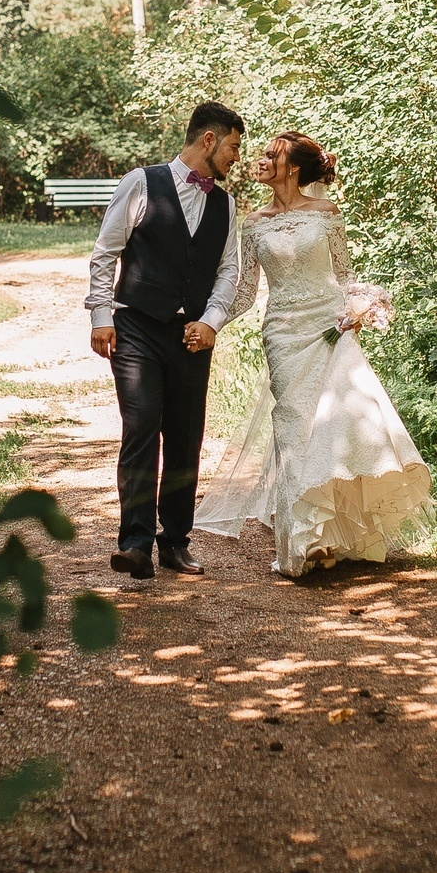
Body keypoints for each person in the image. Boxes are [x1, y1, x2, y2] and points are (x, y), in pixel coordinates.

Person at [197, 131, 431, 577]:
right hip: (283, 334)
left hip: (330, 329)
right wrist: (210, 323)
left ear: (295, 167)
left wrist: (361, 309)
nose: (261, 160)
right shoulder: (254, 222)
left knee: (335, 429)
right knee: (293, 429)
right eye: (261, 153)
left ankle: (335, 537)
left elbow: (345, 276)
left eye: (271, 155)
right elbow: (245, 291)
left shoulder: (326, 214)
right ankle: (299, 543)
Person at [84, 102, 247, 581]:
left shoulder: (226, 204)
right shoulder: (141, 182)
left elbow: (228, 272)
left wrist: (212, 321)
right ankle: (134, 543)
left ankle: (175, 541)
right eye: (234, 147)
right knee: (141, 428)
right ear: (209, 141)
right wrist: (100, 314)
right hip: (137, 325)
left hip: (192, 336)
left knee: (185, 436)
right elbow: (106, 251)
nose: (237, 157)